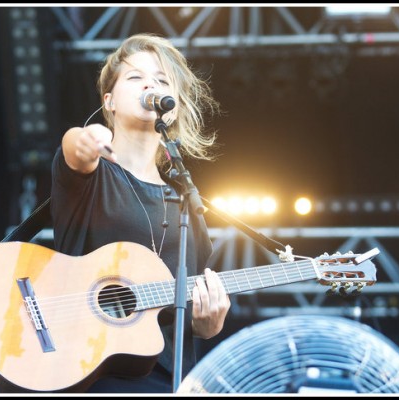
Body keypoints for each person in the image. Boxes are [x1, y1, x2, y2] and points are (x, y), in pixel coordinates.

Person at [50, 32, 231, 393]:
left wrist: (206, 325)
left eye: (162, 80)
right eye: (135, 77)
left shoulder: (187, 204)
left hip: (166, 381)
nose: (150, 83)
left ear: (173, 104)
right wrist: (83, 137)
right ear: (109, 101)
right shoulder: (95, 175)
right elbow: (74, 148)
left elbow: (187, 312)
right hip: (89, 373)